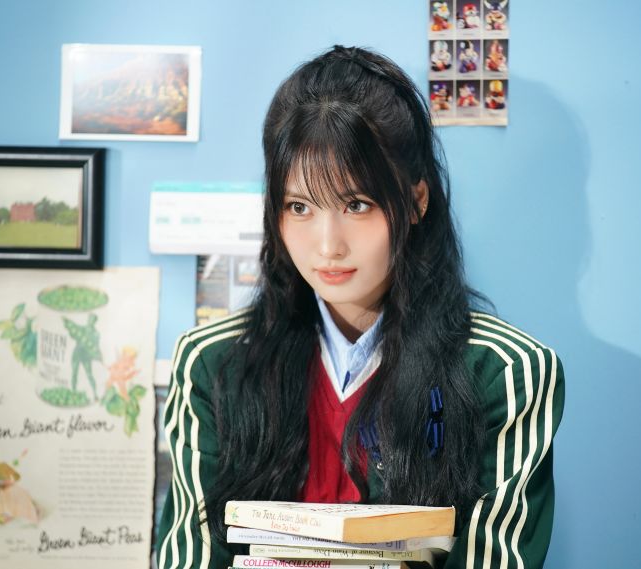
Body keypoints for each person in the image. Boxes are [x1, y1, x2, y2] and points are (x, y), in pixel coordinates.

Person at [156, 45, 564, 569]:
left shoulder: (503, 373)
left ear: (416, 201)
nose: (328, 246)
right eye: (299, 206)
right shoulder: (213, 364)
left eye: (356, 204)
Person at [0, 451, 39, 524]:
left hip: (13, 491)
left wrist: (10, 481)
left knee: (21, 515)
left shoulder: (2, 465)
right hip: (3, 495)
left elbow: (17, 476)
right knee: (7, 519)